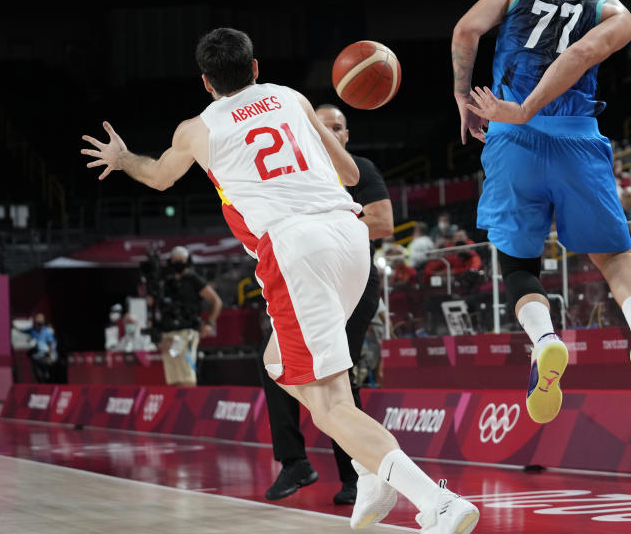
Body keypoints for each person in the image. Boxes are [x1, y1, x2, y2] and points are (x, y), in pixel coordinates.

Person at [81, 27, 478, 533]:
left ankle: (435, 501)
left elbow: (158, 176)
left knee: (331, 404)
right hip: (349, 235)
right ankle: (367, 465)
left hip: (295, 250)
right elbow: (353, 176)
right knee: (277, 363)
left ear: (206, 82)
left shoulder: (196, 129)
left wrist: (121, 159)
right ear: (255, 68)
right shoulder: (290, 97)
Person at [451, 0, 631, 425]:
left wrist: (466, 99)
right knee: (616, 257)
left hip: (510, 134)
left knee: (518, 264)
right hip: (575, 136)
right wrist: (534, 107)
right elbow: (581, 53)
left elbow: (466, 30)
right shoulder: (615, 11)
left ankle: (546, 341)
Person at [258, 103, 395, 505]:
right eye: (322, 126)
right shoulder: (294, 170)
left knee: (339, 373)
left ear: (346, 135)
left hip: (353, 280)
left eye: (338, 127)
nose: (331, 132)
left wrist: (326, 228)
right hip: (306, 279)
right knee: (273, 365)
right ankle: (293, 461)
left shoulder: (360, 169)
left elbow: (384, 222)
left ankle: (357, 476)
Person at [154, 246, 222, 386]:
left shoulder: (194, 279)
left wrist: (209, 323)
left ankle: (188, 405)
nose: (178, 262)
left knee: (186, 377)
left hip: (186, 333)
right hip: (168, 334)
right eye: (175, 259)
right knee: (172, 379)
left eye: (181, 259)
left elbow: (216, 301)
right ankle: (176, 406)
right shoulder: (168, 282)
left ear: (187, 261)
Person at [14, 313, 57, 383]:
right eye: (38, 322)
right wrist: (13, 324)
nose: (39, 325)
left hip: (45, 355)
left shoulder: (47, 332)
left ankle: (47, 375)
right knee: (38, 374)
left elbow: (51, 344)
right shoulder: (32, 330)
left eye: (41, 321)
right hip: (35, 356)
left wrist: (50, 354)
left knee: (47, 371)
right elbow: (20, 329)